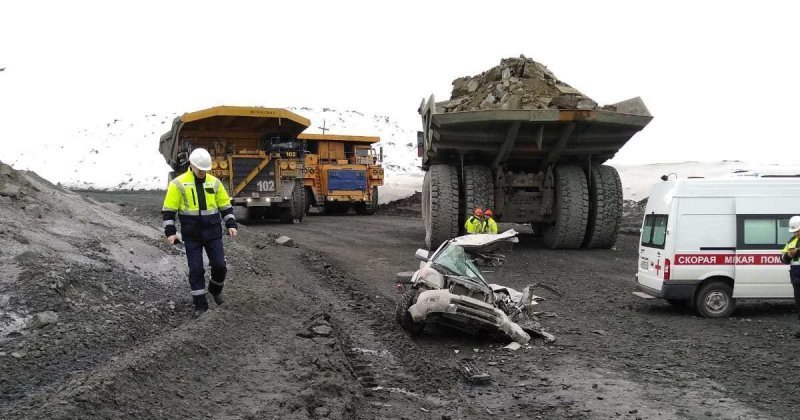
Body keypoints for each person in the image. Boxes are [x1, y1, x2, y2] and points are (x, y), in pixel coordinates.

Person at [162, 148, 238, 317]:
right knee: (196, 270)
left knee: (219, 266)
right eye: (200, 169)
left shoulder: (214, 182)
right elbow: (169, 211)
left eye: (205, 169)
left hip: (213, 232)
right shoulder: (178, 184)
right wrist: (170, 232)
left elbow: (225, 205)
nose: (203, 172)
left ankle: (215, 289)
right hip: (192, 235)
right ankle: (200, 305)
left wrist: (231, 223)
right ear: (192, 165)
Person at [781, 215, 800, 337]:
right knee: (799, 303)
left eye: (797, 231)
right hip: (796, 277)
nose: (795, 233)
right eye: (794, 231)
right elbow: (783, 259)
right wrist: (789, 255)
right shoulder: (790, 242)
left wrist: (798, 251)